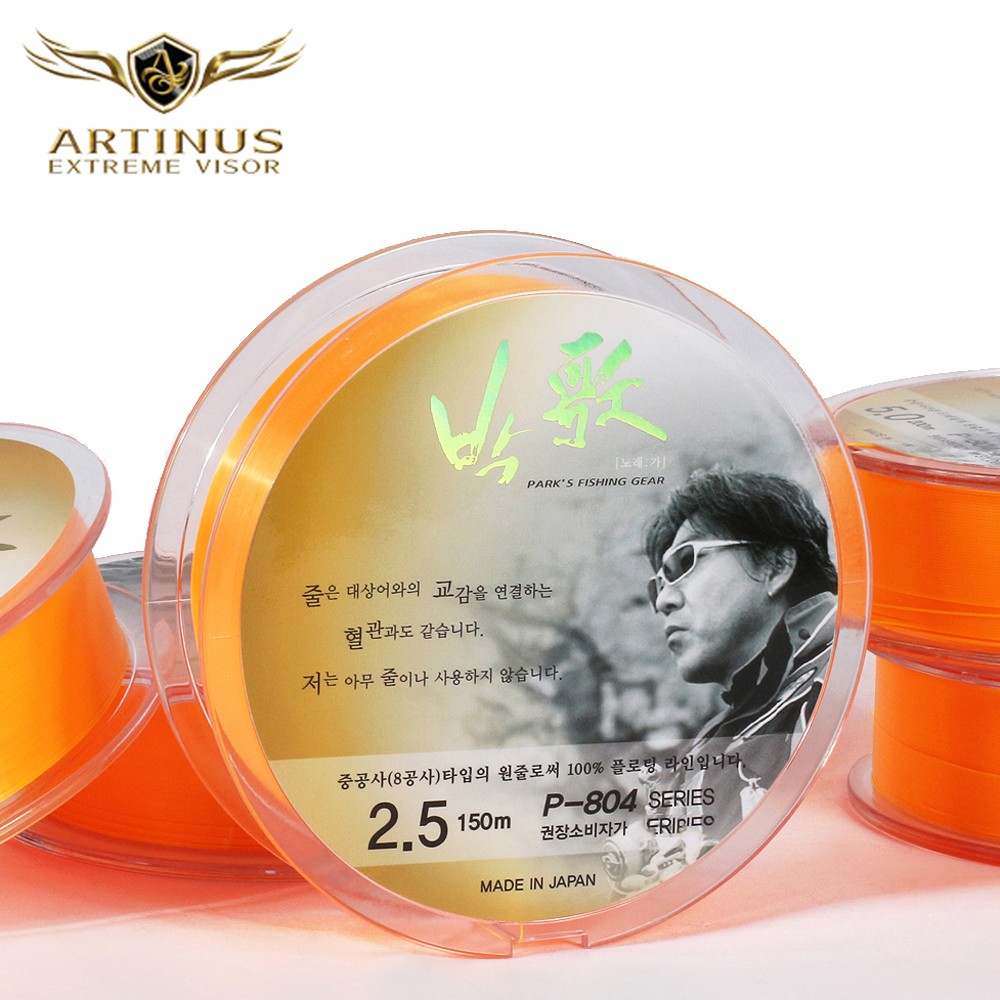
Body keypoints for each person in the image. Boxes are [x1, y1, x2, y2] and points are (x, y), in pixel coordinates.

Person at [603, 468, 838, 893]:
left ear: (776, 565)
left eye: (685, 563)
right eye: (657, 586)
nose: (663, 600)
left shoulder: (853, 686)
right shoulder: (711, 746)